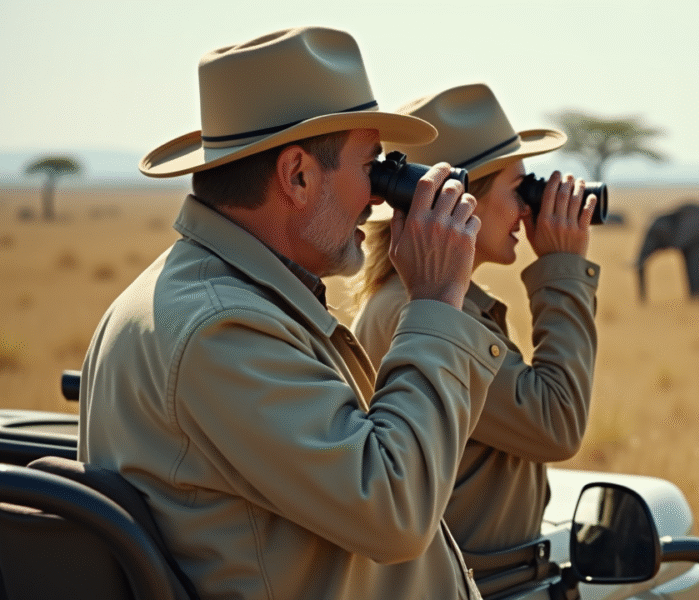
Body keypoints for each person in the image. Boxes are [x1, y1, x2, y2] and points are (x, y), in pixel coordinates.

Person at [77, 27, 508, 600]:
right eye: (371, 167)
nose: (381, 196)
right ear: (297, 175)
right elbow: (395, 509)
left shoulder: (199, 296)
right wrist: (433, 303)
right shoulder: (221, 326)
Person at [351, 83, 600, 555]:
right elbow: (556, 422)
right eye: (517, 188)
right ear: (459, 199)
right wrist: (563, 269)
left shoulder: (415, 298)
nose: (529, 207)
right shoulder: (425, 310)